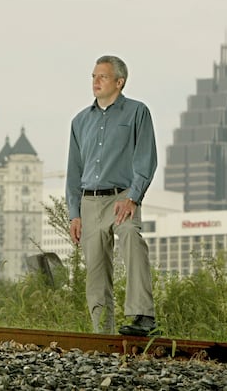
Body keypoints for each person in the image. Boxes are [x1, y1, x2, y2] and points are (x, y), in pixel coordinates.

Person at [65, 55, 158, 336]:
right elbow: (73, 171)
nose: (95, 81)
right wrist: (74, 214)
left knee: (131, 237)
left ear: (119, 82)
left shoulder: (137, 112)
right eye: (93, 76)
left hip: (122, 199)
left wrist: (133, 197)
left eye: (102, 77)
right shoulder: (80, 121)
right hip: (89, 202)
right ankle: (102, 334)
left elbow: (146, 159)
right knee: (95, 269)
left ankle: (142, 316)